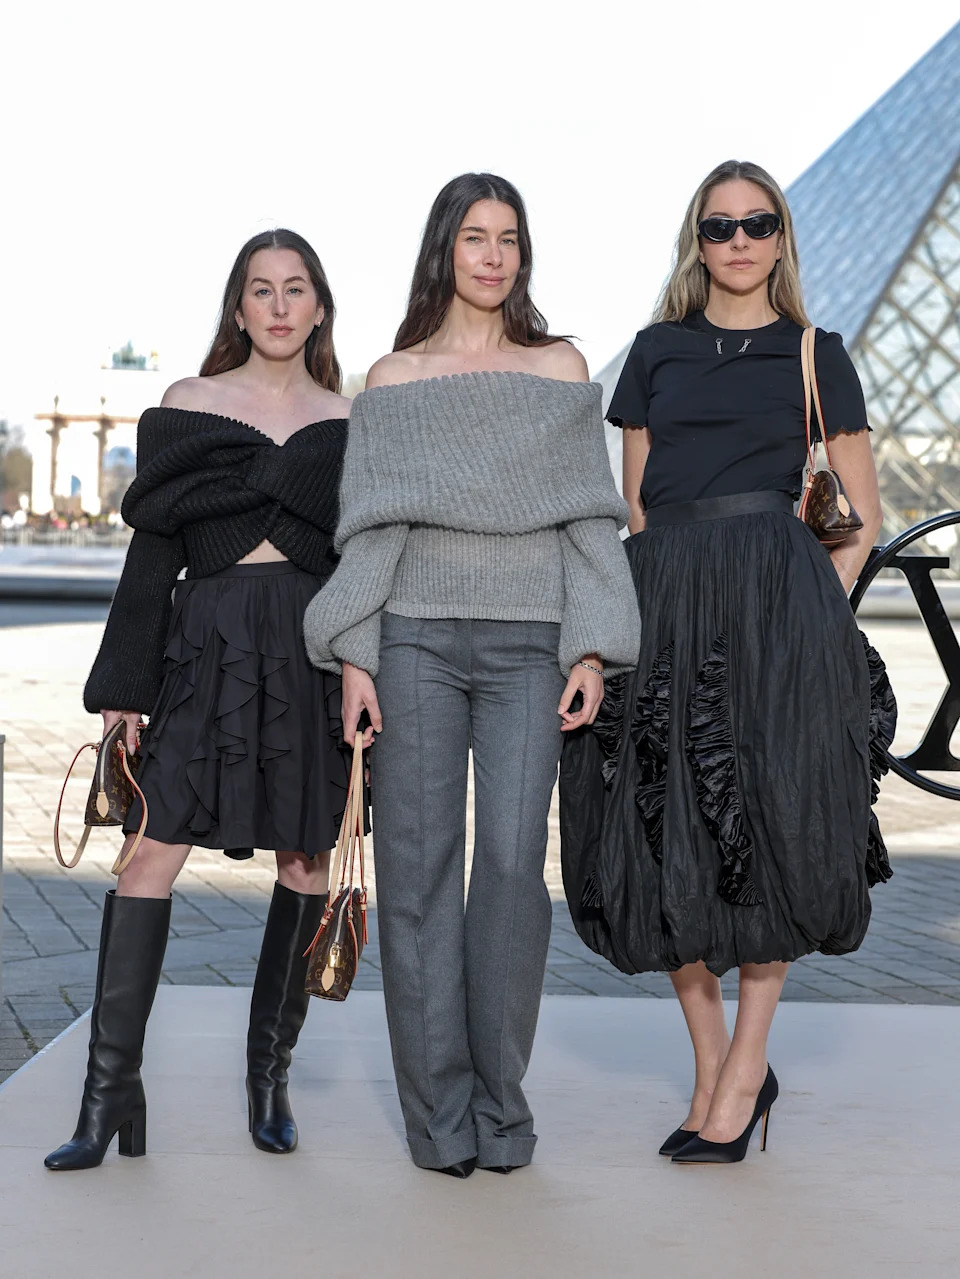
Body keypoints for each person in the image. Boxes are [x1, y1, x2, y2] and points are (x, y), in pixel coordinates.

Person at [560, 160, 897, 1164]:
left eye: (757, 223)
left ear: (782, 236)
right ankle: (711, 1060)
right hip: (665, 591)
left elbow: (859, 515)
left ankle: (747, 1067)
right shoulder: (656, 350)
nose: (739, 241)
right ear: (696, 241)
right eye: (719, 226)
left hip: (775, 604)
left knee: (771, 823)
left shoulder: (815, 352)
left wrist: (808, 616)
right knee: (666, 825)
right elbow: (636, 506)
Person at [304, 173, 640, 1177]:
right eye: (475, 237)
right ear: (444, 249)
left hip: (531, 646)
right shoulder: (392, 379)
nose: (493, 256)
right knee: (415, 873)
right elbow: (369, 530)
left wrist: (591, 646)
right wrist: (356, 656)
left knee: (508, 870)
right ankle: (439, 1119)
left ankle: (501, 1105)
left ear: (523, 255)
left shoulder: (559, 367)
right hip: (413, 642)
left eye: (509, 238)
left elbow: (591, 518)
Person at [45, 229, 353, 1171]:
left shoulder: (350, 418)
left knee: (305, 858)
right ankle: (109, 1095)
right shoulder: (187, 404)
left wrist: (367, 668)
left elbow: (363, 558)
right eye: (261, 289)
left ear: (319, 307)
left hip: (309, 649)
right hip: (205, 642)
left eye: (295, 289)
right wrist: (122, 691)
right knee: (148, 853)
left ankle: (270, 1078)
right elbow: (152, 554)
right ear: (238, 307)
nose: (279, 306)